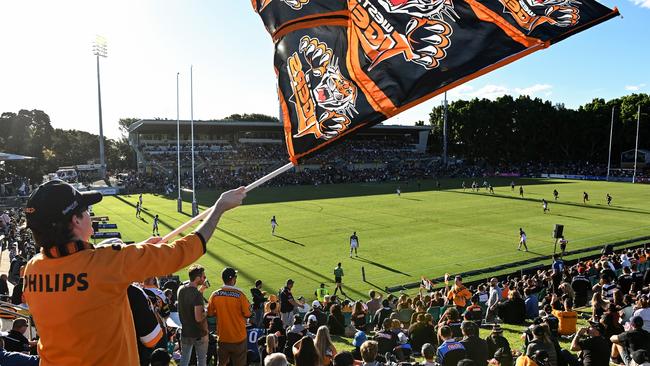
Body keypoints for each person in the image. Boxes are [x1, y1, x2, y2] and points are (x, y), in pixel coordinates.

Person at [21, 179, 246, 366]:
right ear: (75, 220)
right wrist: (219, 208)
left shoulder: (32, 269)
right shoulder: (111, 263)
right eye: (86, 210)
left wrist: (134, 253)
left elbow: (77, 268)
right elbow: (184, 250)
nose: (90, 214)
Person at [207, 267, 252, 366]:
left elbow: (209, 314)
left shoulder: (215, 295)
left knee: (221, 363)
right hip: (239, 337)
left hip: (223, 337)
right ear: (233, 279)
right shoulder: (240, 295)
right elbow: (248, 313)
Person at [178, 264, 210, 366]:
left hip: (185, 332)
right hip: (198, 334)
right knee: (201, 360)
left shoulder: (181, 289)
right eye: (203, 277)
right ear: (197, 278)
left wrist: (202, 290)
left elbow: (190, 299)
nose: (204, 279)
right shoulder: (196, 295)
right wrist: (206, 311)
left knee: (184, 359)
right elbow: (198, 318)